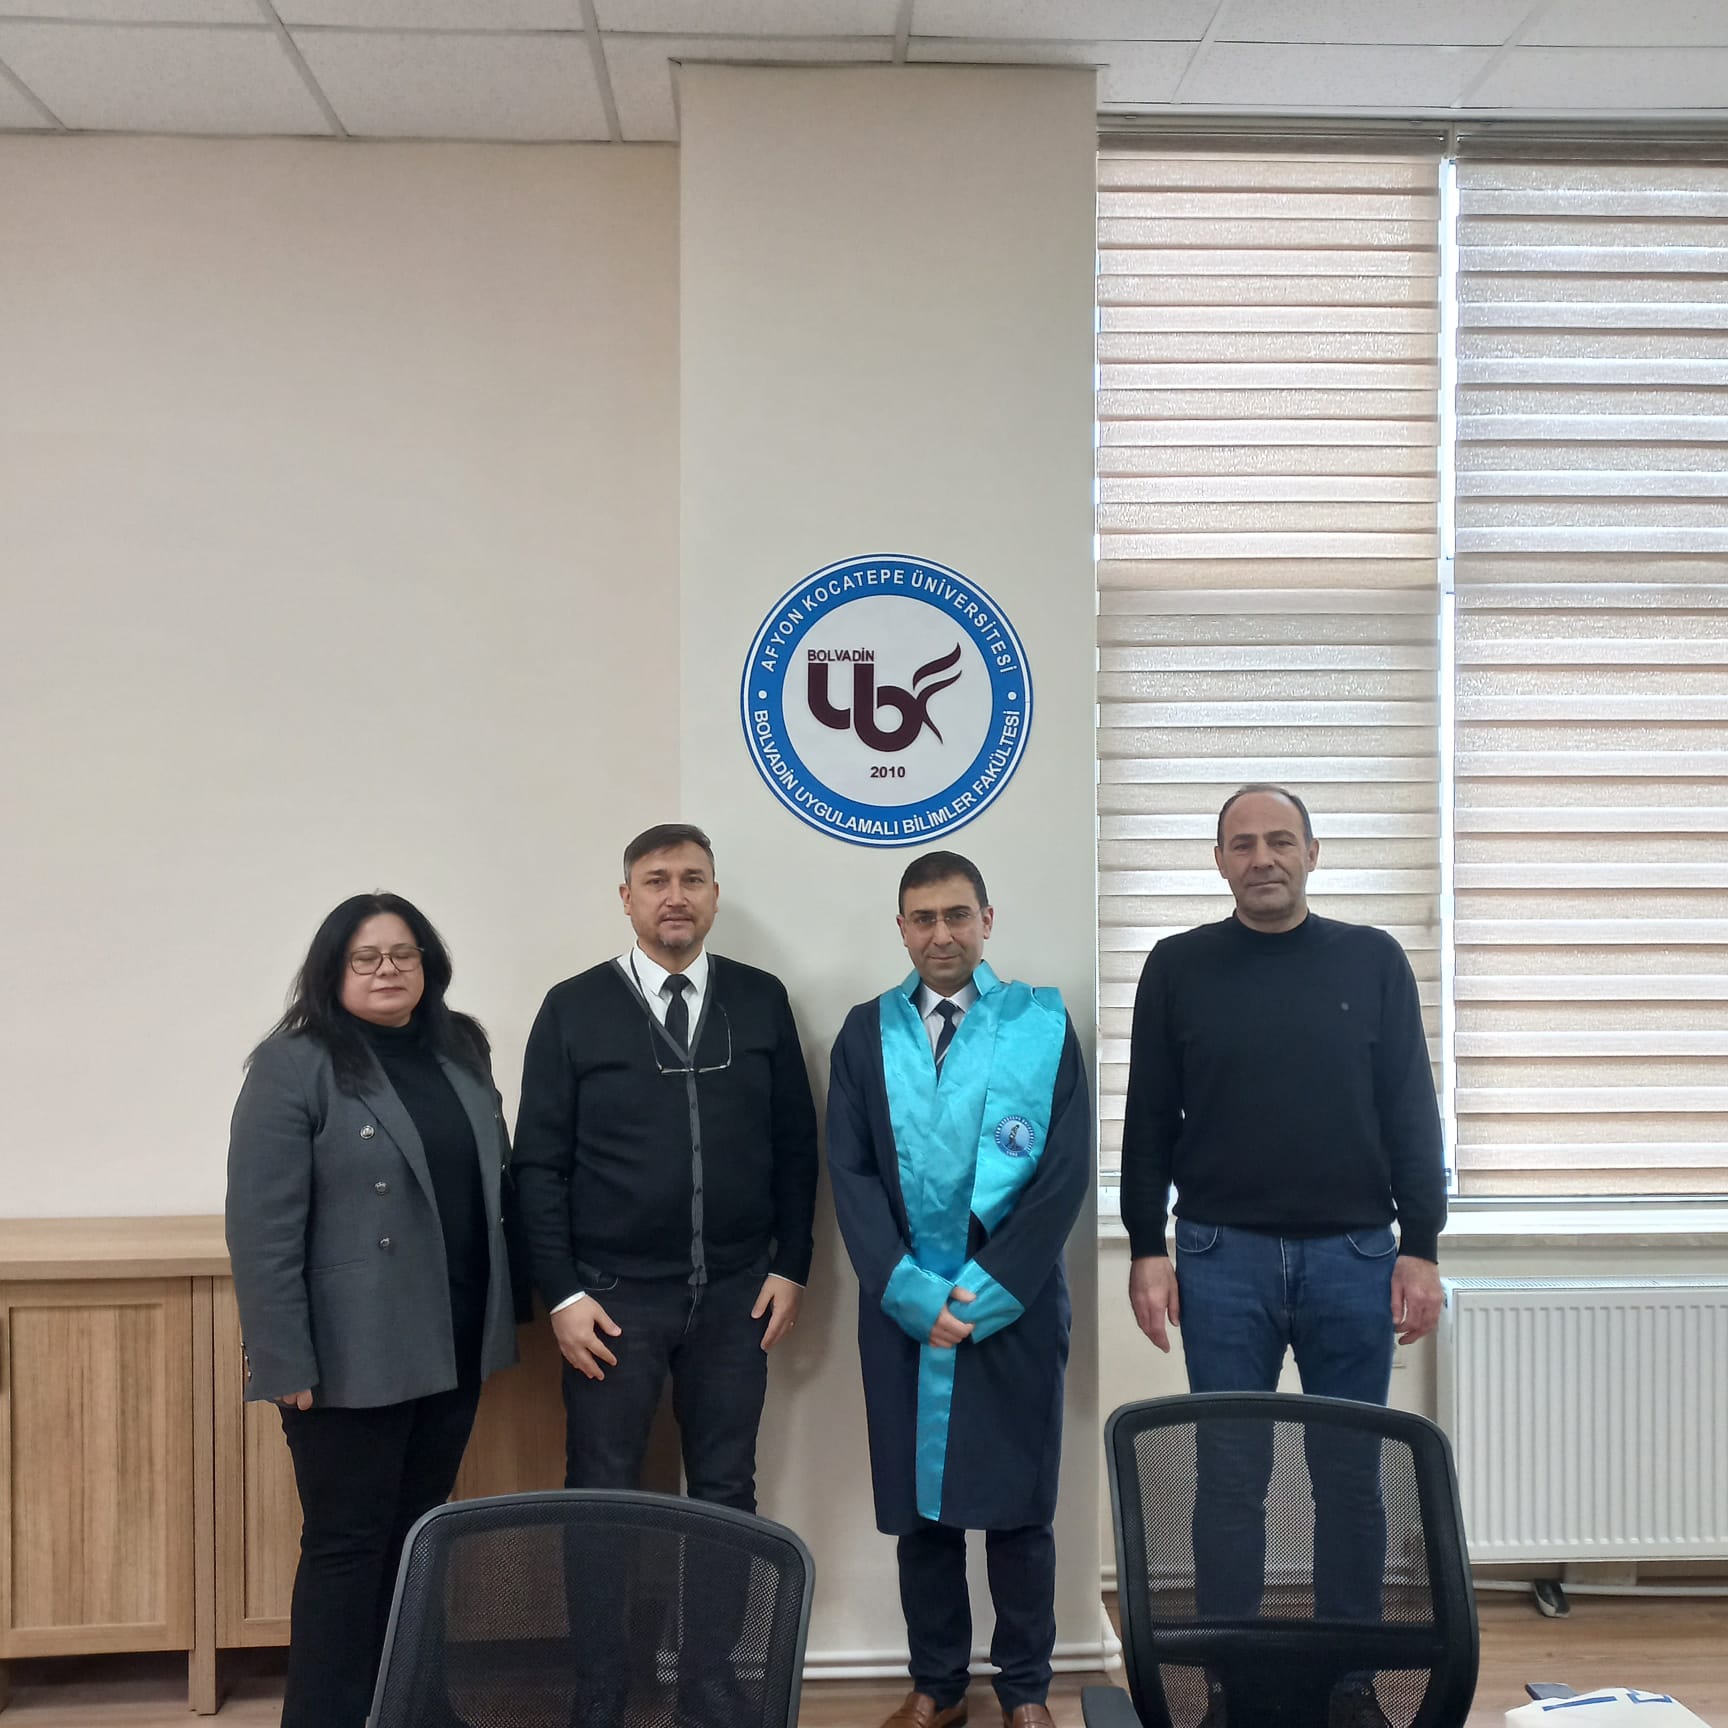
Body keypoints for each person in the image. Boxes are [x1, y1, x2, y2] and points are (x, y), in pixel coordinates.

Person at [1120, 785, 1446, 1720]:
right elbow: (1149, 1118)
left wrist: (1421, 1245)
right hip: (1221, 1257)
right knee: (1230, 1481)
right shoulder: (1178, 966)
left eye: (1278, 841)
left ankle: (1348, 1685)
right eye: (1241, 844)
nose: (1261, 857)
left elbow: (1410, 1108)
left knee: (1352, 1481)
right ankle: (1232, 1686)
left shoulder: (1373, 960)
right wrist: (1146, 1246)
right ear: (1219, 862)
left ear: (1312, 852)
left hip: (1356, 1255)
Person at [225, 892, 518, 1728]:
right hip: (348, 1352)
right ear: (334, 970)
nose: (388, 970)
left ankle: (416, 1708)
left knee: (421, 1539)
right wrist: (282, 1357)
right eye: (367, 957)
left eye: (403, 954)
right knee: (347, 1548)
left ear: (428, 965)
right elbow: (261, 1227)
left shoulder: (461, 1046)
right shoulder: (294, 1063)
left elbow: (493, 1179)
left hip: (454, 1338)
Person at [827, 850, 1091, 1728]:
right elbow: (851, 1173)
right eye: (924, 918)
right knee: (921, 1512)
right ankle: (937, 1684)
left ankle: (1026, 1691)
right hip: (900, 1309)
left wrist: (986, 1293)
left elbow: (1062, 1174)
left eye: (957, 915)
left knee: (1019, 1509)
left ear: (987, 920)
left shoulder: (1040, 1025)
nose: (941, 934)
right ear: (902, 930)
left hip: (1013, 1308)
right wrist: (908, 1292)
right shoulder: (865, 1034)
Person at [512, 822, 818, 1510]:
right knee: (602, 1490)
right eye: (656, 882)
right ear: (627, 898)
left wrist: (792, 1264)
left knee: (727, 1489)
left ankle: (715, 1596)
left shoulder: (760, 998)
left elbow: (796, 1143)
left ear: (715, 895)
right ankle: (602, 1597)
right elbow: (537, 1165)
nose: (675, 896)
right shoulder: (572, 1007)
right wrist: (561, 1294)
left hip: (737, 1294)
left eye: (691, 880)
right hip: (612, 1299)